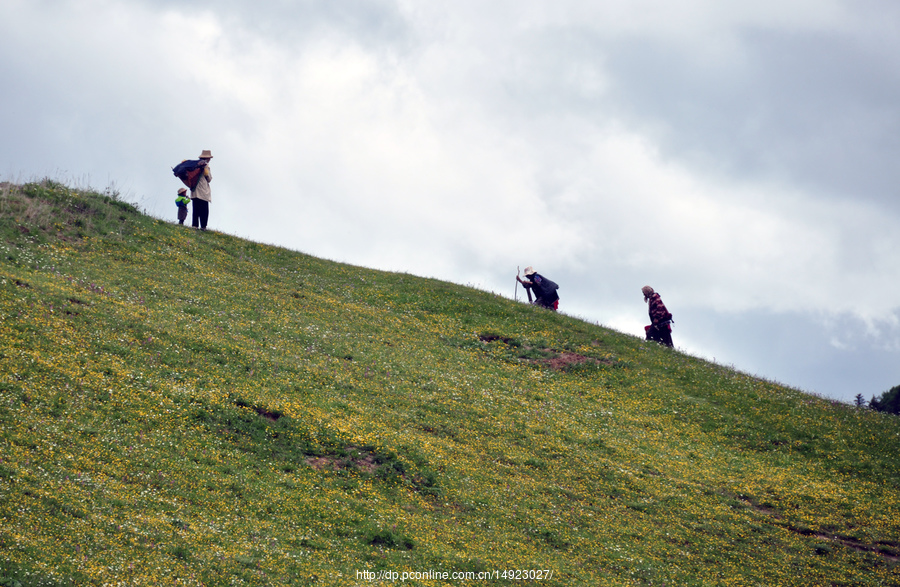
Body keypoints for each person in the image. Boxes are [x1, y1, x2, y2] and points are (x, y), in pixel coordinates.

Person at [191, 149, 213, 230]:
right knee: (204, 209)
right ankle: (203, 226)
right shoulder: (205, 166)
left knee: (195, 209)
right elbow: (209, 178)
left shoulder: (195, 165)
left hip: (194, 190)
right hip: (203, 191)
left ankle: (195, 225)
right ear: (207, 158)